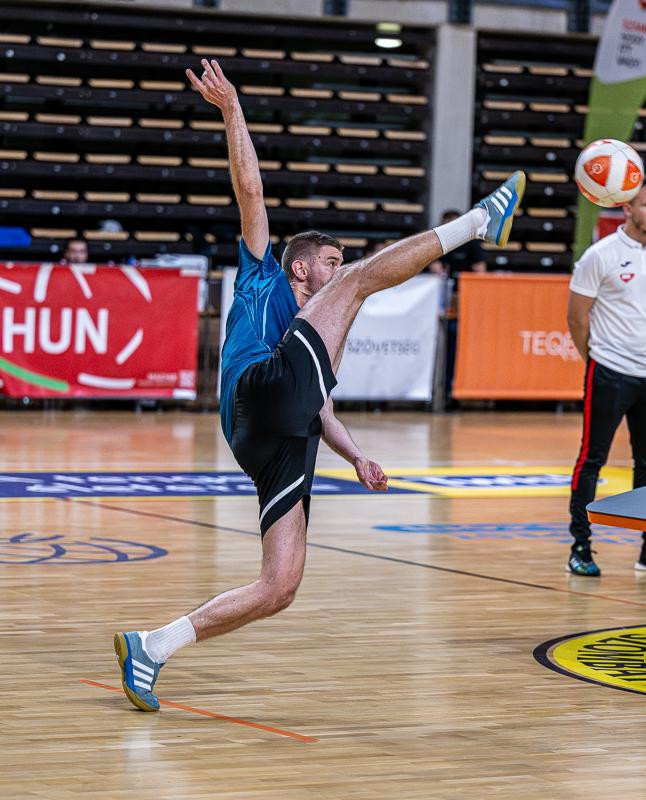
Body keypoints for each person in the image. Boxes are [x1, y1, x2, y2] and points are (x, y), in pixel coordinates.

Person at [112, 59, 527, 712]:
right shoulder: (264, 276)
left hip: (279, 435)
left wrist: (356, 455)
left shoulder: (313, 346)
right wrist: (233, 111)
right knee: (362, 281)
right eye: (328, 262)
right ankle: (477, 222)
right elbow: (251, 194)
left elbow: (319, 404)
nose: (338, 270)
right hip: (256, 394)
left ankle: (153, 646)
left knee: (280, 585)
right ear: (300, 267)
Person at [565, 175, 646, 577]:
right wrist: (596, 360)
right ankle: (580, 547)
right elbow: (576, 317)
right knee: (592, 460)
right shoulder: (599, 255)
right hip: (609, 371)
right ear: (627, 209)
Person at [427, 209, 488, 277]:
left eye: (453, 227)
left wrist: (478, 269)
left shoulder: (471, 242)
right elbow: (431, 262)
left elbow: (480, 267)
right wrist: (434, 265)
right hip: (442, 279)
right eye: (446, 228)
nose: (450, 231)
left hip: (465, 279)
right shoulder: (437, 243)